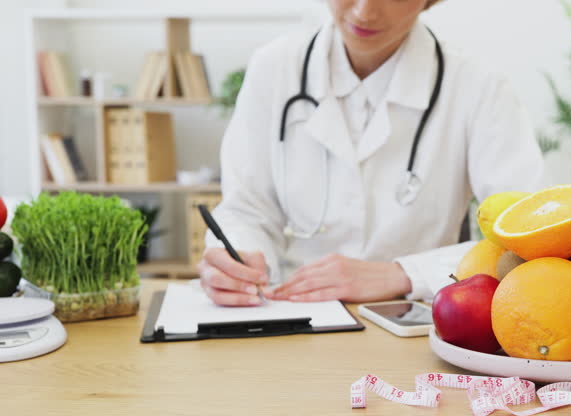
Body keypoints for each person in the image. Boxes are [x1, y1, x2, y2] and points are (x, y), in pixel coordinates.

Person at [199, 0, 544, 306]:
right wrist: (238, 262)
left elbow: (529, 236)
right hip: (291, 310)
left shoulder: (479, 86)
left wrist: (403, 274)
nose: (364, 10)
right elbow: (246, 209)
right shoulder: (274, 68)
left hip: (420, 320)